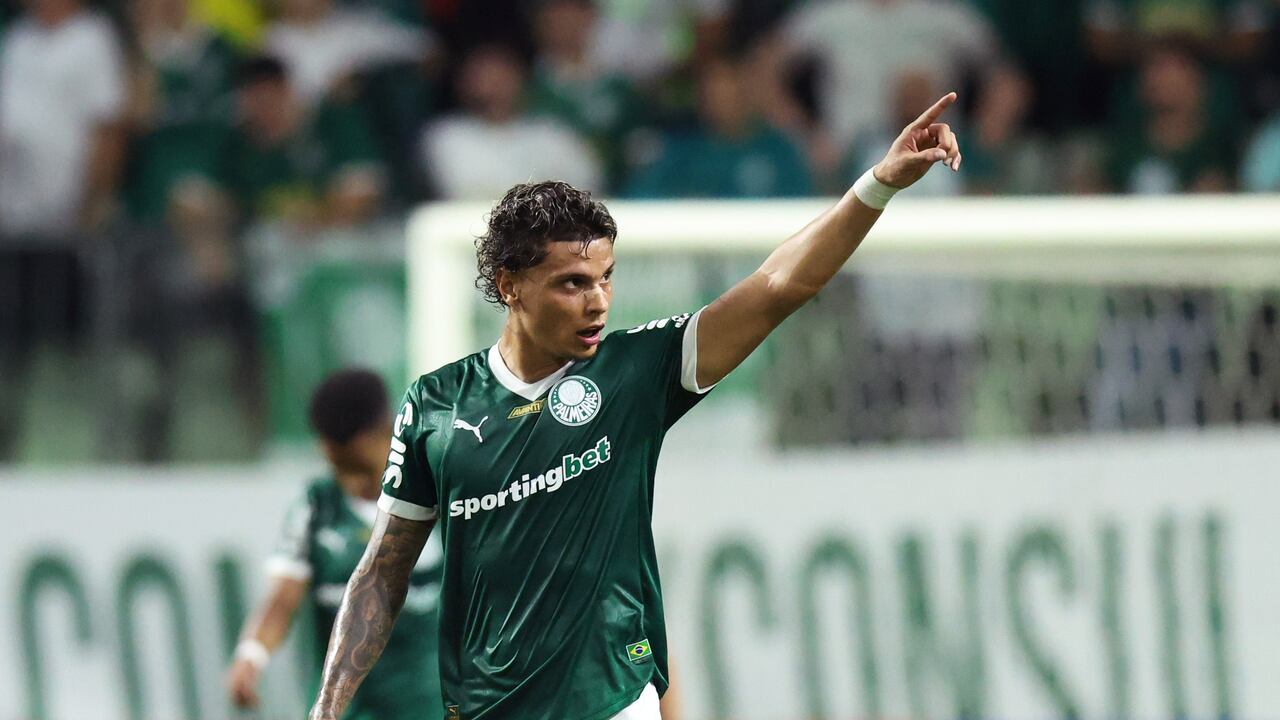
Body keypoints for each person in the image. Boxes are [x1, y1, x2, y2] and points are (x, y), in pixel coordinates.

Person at [308, 94, 963, 720]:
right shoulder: (436, 405)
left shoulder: (633, 371)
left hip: (611, 702)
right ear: (509, 285)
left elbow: (776, 287)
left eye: (604, 278)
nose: (597, 301)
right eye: (571, 283)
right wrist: (330, 704)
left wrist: (876, 184)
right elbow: (383, 572)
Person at [228, 368, 444, 719]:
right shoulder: (317, 507)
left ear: (375, 434)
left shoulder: (440, 496)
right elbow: (283, 597)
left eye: (336, 445)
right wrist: (251, 654)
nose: (325, 452)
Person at [420, 44, 602, 200]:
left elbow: (588, 184)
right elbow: (461, 189)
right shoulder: (446, 135)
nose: (493, 85)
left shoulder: (552, 133)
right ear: (463, 84)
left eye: (502, 75)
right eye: (482, 76)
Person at [625, 54, 812, 199]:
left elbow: (801, 206)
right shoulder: (682, 151)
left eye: (731, 93)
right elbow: (641, 199)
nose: (723, 102)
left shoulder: (779, 151)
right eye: (715, 94)